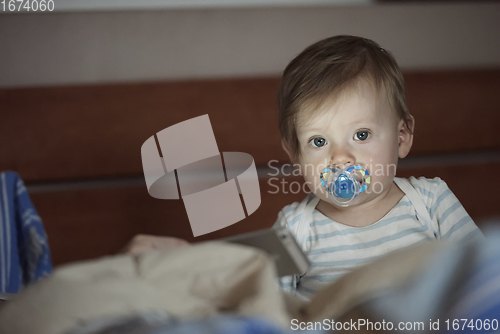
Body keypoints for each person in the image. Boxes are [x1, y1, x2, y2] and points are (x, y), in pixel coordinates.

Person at [273, 35, 483, 301]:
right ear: (295, 154)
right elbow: (269, 311)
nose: (340, 158)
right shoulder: (292, 228)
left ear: (401, 137)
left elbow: (483, 279)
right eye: (319, 141)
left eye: (361, 135)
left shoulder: (431, 203)